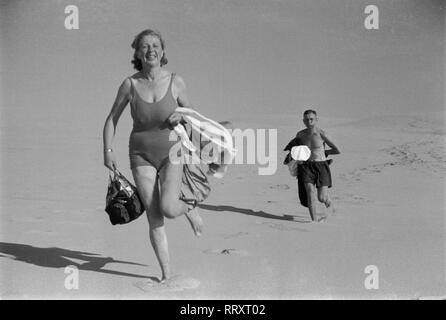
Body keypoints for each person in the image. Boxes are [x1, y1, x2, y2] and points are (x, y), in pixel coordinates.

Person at [102, 29, 204, 283]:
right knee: (154, 214)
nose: (151, 50)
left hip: (172, 151)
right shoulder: (130, 84)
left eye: (155, 45)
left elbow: (193, 118)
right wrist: (107, 151)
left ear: (163, 51)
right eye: (145, 46)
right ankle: (166, 275)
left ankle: (188, 208)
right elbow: (111, 119)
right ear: (137, 52)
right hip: (140, 155)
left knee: (169, 208)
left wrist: (183, 116)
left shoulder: (176, 81)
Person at [294, 109, 340, 222]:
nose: (309, 121)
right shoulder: (300, 135)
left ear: (316, 120)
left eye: (311, 119)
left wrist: (326, 152)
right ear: (303, 121)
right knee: (309, 191)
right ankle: (314, 221)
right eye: (307, 119)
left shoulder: (321, 134)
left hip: (321, 166)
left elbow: (337, 150)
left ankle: (331, 207)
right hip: (306, 167)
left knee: (321, 198)